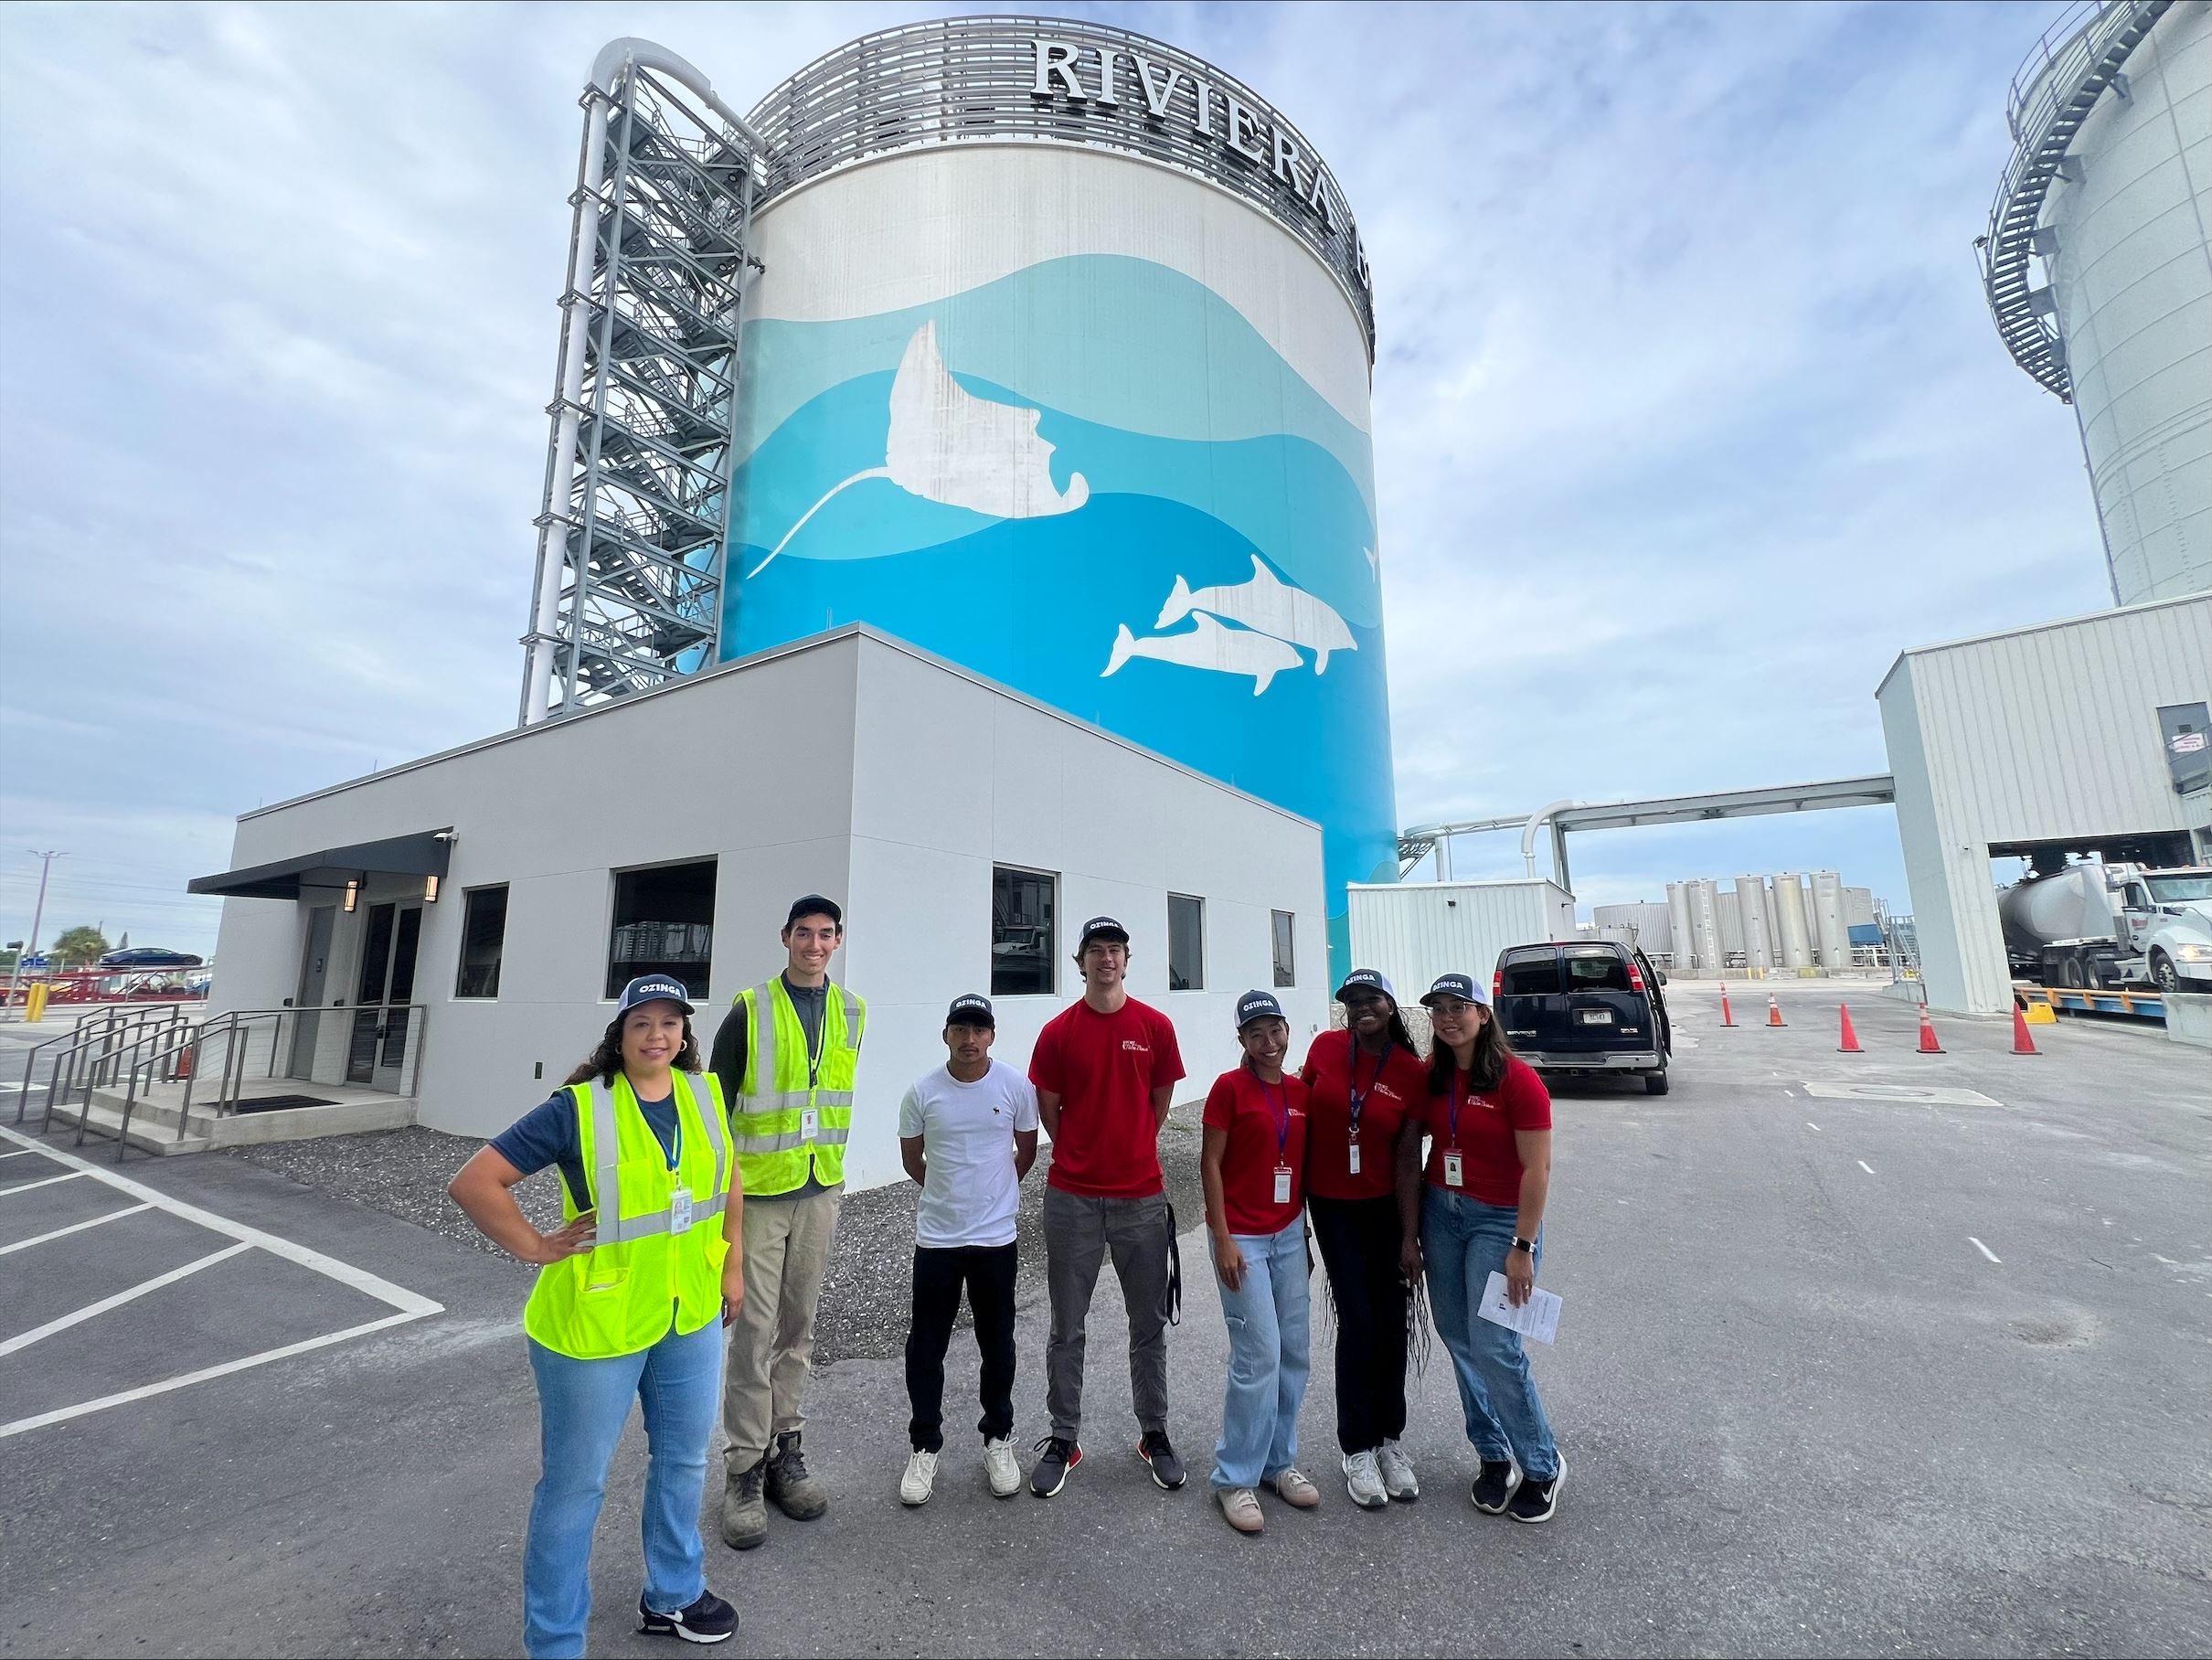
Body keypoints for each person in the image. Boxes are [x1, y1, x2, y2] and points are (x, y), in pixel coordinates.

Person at [448, 976, 742, 1658]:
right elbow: (475, 1182)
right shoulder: (578, 1108)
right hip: (595, 1326)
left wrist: (731, 1265)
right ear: (620, 1034)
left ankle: (673, 1595)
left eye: (670, 1023)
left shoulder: (703, 1095)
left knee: (683, 1460)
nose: (657, 1036)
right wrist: (536, 1246)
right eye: (642, 1023)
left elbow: (728, 1177)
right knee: (575, 1487)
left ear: (685, 1033)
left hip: (687, 1314)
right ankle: (554, 1643)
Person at [710, 895, 867, 1550]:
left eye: (826, 934)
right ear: (785, 938)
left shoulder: (852, 1011)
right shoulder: (749, 1009)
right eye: (804, 933)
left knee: (797, 1330)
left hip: (819, 1189)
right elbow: (715, 1109)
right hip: (758, 1194)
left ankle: (785, 1451)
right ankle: (744, 1468)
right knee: (753, 1332)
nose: (814, 944)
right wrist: (721, 1205)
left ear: (838, 941)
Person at [1026, 915, 1188, 1498]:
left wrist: (1131, 1147)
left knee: (1147, 1324)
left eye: (1115, 949)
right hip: (1072, 1198)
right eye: (1095, 950)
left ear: (1126, 959)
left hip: (1140, 1198)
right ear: (1081, 962)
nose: (1106, 958)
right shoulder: (1058, 1032)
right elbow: (1049, 1106)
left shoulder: (1155, 1026)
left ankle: (1154, 1433)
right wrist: (1081, 1151)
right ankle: (1064, 1437)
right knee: (1067, 1326)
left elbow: (1160, 1100)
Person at [1406, 972, 1562, 1523]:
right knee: (1458, 1335)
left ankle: (1541, 1463)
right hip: (1442, 1214)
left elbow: (1538, 1168)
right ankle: (1493, 1454)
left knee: (1495, 1345)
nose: (1448, 1018)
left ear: (1483, 1015)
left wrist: (1523, 1245)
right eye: (1439, 1009)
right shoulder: (1434, 1074)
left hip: (1500, 1221)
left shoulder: (1518, 1081)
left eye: (1459, 1007)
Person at [897, 994, 1040, 1506]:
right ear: (946, 1036)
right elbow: (913, 1160)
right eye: (960, 1029)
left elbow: (1026, 1150)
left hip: (995, 1239)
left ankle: (998, 1437)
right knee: (926, 1347)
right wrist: (949, 1194)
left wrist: (993, 1195)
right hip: (938, 1238)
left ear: (992, 1036)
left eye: (979, 1030)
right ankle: (924, 1445)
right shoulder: (922, 1092)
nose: (970, 1039)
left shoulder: (1015, 1086)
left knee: (997, 1343)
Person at [1299, 968, 1429, 1508]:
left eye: (1371, 999)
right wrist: (1298, 1220)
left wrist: (1410, 1236)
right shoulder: (1325, 1049)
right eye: (1352, 1002)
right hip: (1333, 1209)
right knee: (1358, 1320)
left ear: (1391, 1006)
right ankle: (1356, 1446)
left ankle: (1388, 1440)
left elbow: (1408, 1159)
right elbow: (1297, 1127)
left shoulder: (1410, 1070)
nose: (1361, 1009)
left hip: (1385, 1210)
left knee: (1393, 1323)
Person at [1200, 990, 1320, 1535]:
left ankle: (1277, 1462)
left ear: (1287, 1031)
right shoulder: (1228, 1089)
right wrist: (1222, 1237)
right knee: (1259, 1354)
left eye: (1275, 1030)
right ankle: (1235, 1477)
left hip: (1289, 1233)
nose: (1268, 1042)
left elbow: (1302, 1166)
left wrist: (1305, 1235)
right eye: (1256, 1034)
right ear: (1242, 1041)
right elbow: (1211, 1163)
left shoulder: (1301, 1092)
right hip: (1241, 1237)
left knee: (1294, 1352)